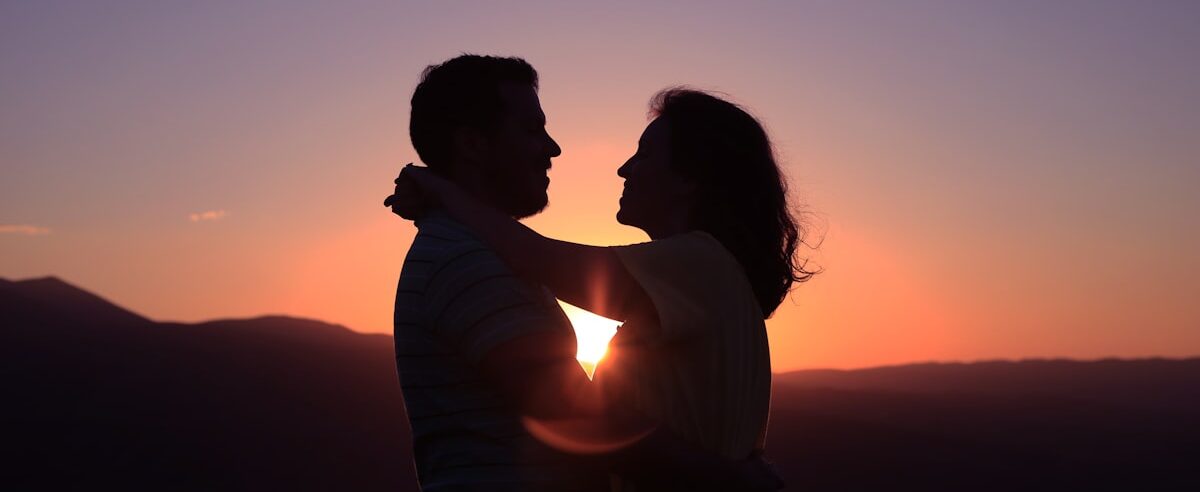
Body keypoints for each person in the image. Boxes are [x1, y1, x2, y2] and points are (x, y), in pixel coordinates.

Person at [388, 54, 781, 492]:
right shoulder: (466, 258)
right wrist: (735, 481)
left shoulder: (699, 265)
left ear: (691, 178)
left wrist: (442, 192)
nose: (553, 147)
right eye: (532, 128)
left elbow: (540, 257)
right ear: (474, 145)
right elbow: (575, 412)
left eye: (644, 154)